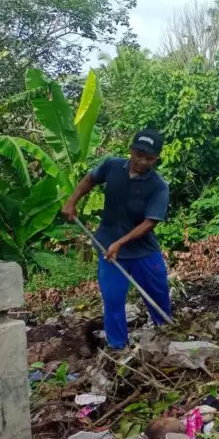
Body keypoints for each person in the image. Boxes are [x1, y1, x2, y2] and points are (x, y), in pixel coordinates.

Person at [62, 129, 172, 349]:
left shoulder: (159, 186)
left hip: (143, 250)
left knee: (158, 294)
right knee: (113, 300)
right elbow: (90, 179)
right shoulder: (112, 166)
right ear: (131, 150)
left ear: (156, 159)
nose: (142, 161)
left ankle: (166, 336)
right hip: (108, 247)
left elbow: (150, 222)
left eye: (149, 158)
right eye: (138, 154)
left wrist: (121, 243)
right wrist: (71, 201)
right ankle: (118, 348)